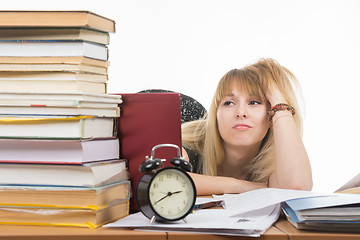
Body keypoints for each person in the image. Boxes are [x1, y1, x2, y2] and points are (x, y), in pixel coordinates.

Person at [182, 58, 313, 195]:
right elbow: (160, 179)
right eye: (229, 103)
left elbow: (296, 187)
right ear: (216, 115)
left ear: (271, 114)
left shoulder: (276, 161)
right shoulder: (190, 142)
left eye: (254, 102)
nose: (240, 113)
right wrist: (238, 186)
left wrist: (279, 100)